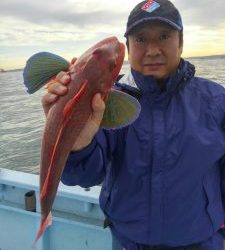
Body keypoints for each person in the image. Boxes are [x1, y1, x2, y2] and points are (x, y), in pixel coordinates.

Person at [41, 0, 225, 249]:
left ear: (180, 43)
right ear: (128, 47)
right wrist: (75, 142)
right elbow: (84, 176)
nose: (152, 50)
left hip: (202, 241)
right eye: (140, 39)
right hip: (129, 242)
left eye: (163, 36)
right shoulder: (103, 104)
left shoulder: (216, 100)